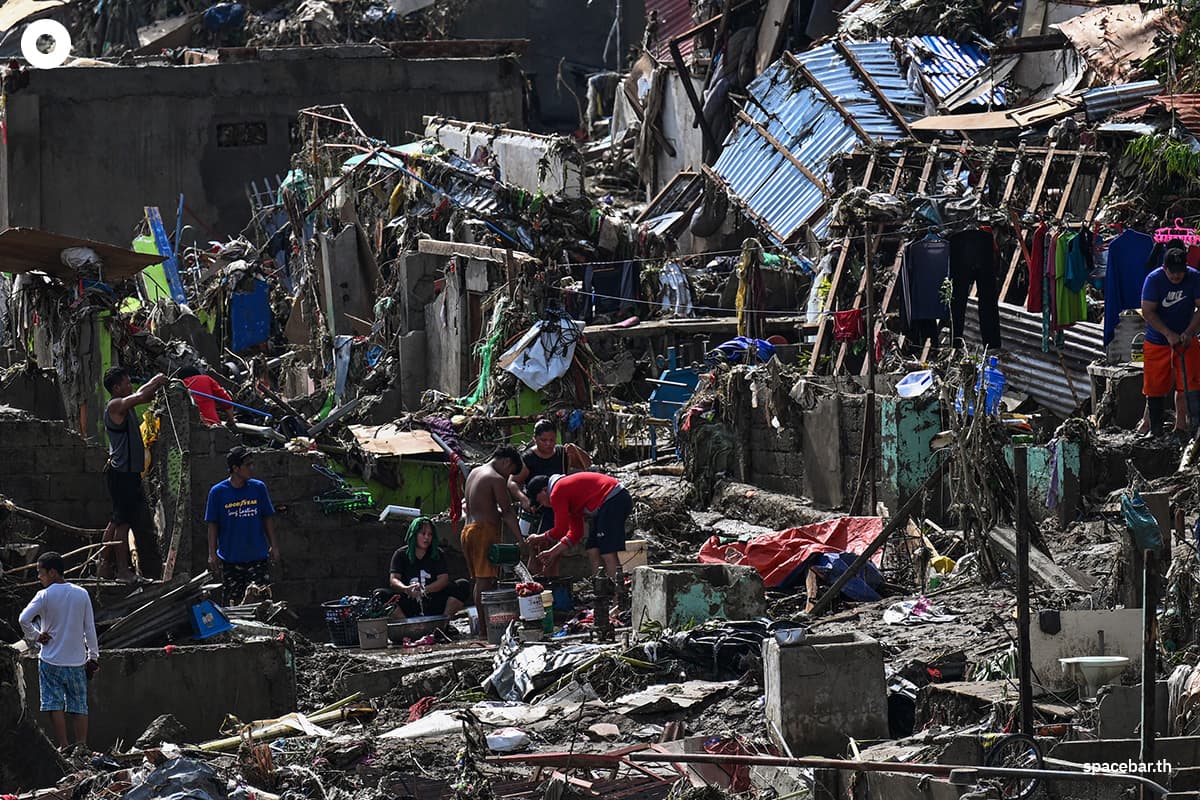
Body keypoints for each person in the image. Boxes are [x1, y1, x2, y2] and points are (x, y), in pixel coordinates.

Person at [19, 552, 99, 750]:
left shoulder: (44, 595)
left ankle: (63, 746)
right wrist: (93, 657)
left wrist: (36, 636)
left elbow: (23, 619)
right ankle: (82, 747)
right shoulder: (81, 594)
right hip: (77, 662)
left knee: (54, 704)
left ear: (52, 572)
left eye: (41, 573)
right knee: (79, 705)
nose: (39, 577)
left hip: (50, 660)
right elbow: (89, 628)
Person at [101, 366, 168, 581]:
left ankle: (103, 566)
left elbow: (141, 393)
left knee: (116, 520)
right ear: (116, 387)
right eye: (127, 383)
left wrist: (156, 379)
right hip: (123, 474)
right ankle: (123, 571)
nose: (131, 386)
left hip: (125, 473)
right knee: (123, 524)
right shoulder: (116, 405)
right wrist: (156, 382)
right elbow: (143, 396)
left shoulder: (124, 402)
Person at [206, 446, 280, 606]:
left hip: (257, 557)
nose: (251, 468)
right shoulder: (218, 492)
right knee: (236, 603)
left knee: (260, 599)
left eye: (252, 464)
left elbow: (267, 517)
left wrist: (273, 545)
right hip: (231, 558)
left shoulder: (258, 488)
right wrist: (212, 554)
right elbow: (212, 524)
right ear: (235, 468)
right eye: (247, 465)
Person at [461, 446, 524, 637]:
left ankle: (485, 627)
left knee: (480, 581)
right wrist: (521, 540)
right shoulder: (495, 478)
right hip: (482, 532)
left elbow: (480, 505)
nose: (507, 478)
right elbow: (507, 512)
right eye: (510, 472)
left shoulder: (474, 472)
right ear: (506, 462)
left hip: (467, 531)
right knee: (484, 582)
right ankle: (485, 631)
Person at [524, 471, 632, 579]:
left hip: (614, 498)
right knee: (592, 548)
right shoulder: (567, 493)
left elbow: (560, 530)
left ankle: (618, 592)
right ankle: (600, 588)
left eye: (540, 501)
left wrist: (539, 537)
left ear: (544, 490)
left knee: (607, 551)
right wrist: (552, 552)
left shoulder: (557, 491)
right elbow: (575, 533)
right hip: (611, 500)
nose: (543, 505)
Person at [1141, 247, 1200, 440]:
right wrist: (1168, 334)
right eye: (1172, 271)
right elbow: (1148, 311)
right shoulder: (1153, 280)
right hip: (1158, 340)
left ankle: (1184, 428)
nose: (1176, 276)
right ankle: (1155, 429)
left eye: (1180, 271)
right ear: (1164, 268)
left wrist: (1189, 332)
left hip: (1186, 339)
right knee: (1155, 386)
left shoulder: (1194, 277)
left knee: (1189, 384)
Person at [507, 419, 592, 536]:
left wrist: (576, 451)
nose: (548, 444)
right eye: (544, 440)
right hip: (537, 509)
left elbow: (586, 464)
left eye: (552, 440)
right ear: (535, 439)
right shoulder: (528, 458)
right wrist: (523, 499)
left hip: (559, 506)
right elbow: (512, 482)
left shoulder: (562, 453)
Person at [377, 517, 470, 620]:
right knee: (380, 595)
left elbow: (443, 579)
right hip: (409, 600)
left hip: (432, 599)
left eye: (430, 534)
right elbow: (394, 579)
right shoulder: (400, 554)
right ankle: (405, 624)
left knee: (462, 585)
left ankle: (444, 622)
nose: (427, 538)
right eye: (423, 533)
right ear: (414, 534)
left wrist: (424, 590)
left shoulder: (437, 554)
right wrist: (406, 589)